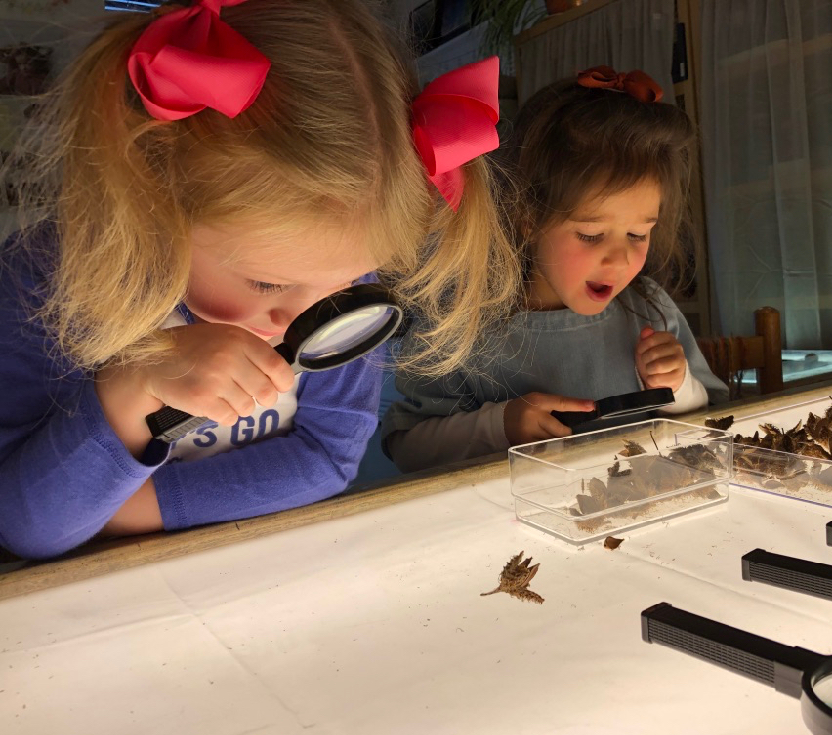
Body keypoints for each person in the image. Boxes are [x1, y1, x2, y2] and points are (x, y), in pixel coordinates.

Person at [0, 0, 520, 559]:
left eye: (340, 285)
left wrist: (108, 516)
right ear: (154, 188)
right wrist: (131, 390)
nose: (303, 319)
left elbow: (328, 457)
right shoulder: (45, 283)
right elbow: (23, 527)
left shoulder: (326, 277)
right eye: (268, 285)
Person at [382, 67, 728, 473]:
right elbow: (407, 448)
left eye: (637, 234)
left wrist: (680, 388)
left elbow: (714, 419)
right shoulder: (458, 324)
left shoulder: (651, 309)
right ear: (530, 218)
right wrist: (502, 425)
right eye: (591, 234)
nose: (618, 260)